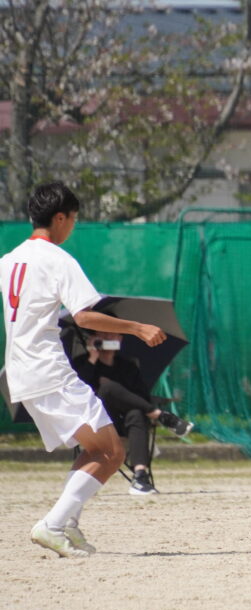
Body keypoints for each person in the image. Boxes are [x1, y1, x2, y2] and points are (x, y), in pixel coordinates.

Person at [0, 181, 167, 557]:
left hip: (21, 372)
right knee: (111, 450)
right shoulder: (58, 259)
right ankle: (53, 525)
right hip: (49, 371)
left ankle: (68, 522)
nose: (73, 227)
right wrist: (138, 328)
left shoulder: (10, 260)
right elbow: (86, 316)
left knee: (94, 448)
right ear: (60, 218)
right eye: (73, 219)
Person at [72, 329, 194, 495]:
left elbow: (142, 396)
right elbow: (77, 391)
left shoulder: (127, 365)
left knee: (136, 413)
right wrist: (92, 358)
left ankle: (140, 476)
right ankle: (161, 416)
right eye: (103, 335)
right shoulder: (83, 364)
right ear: (94, 338)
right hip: (96, 423)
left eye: (111, 334)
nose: (108, 338)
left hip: (125, 423)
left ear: (120, 339)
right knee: (106, 386)